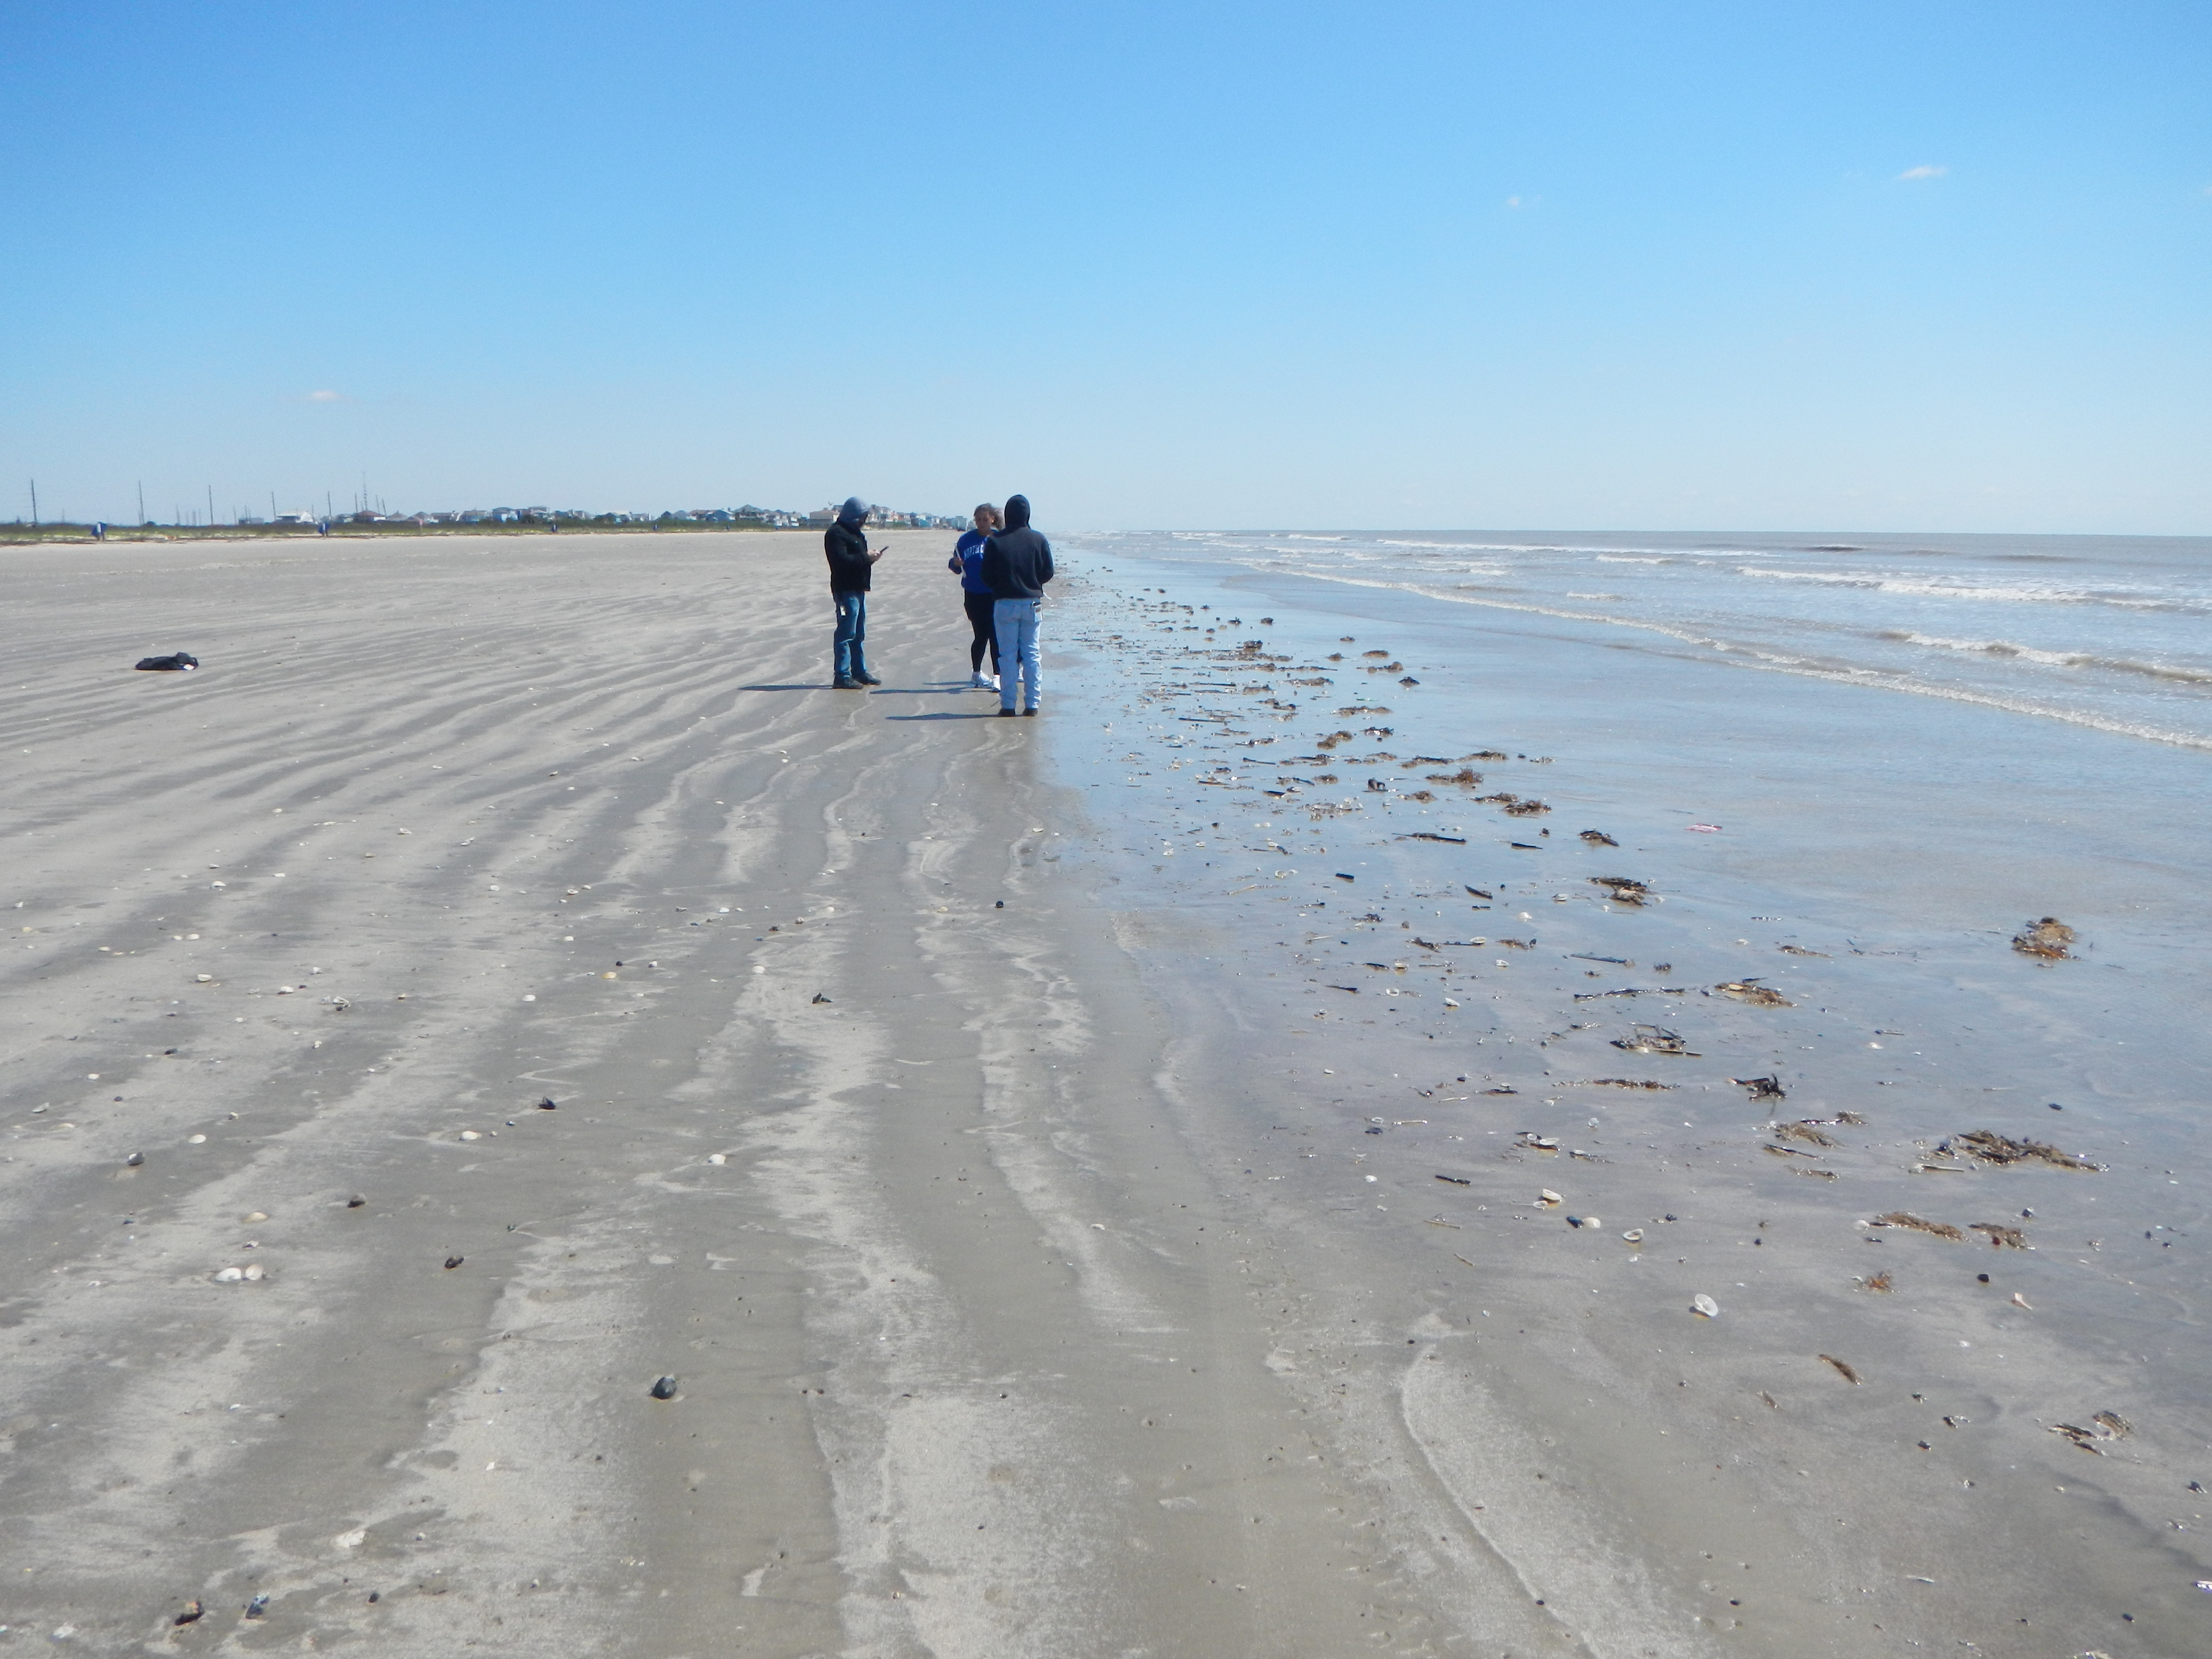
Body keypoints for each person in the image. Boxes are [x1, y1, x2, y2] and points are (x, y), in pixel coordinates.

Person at [980, 493, 1052, 716]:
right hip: (1031, 602)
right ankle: (1033, 705)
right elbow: (1048, 572)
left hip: (1005, 603)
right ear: (1027, 515)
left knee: (1007, 656)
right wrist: (1032, 580)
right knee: (1032, 655)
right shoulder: (1038, 539)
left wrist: (1002, 585)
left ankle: (1009, 705)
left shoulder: (995, 541)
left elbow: (986, 576)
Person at [823, 496, 882, 688]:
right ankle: (842, 675)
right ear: (855, 515)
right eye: (863, 516)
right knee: (846, 633)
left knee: (859, 634)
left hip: (858, 588)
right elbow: (842, 561)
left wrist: (869, 558)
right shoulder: (836, 533)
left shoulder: (855, 532)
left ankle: (859, 672)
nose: (864, 520)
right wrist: (866, 557)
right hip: (845, 590)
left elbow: (856, 558)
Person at [947, 503, 1002, 689]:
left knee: (996, 636)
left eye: (985, 520)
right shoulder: (965, 540)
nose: (981, 523)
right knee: (981, 635)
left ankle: (998, 676)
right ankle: (976, 673)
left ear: (992, 519)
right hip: (973, 594)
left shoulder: (999, 539)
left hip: (995, 595)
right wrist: (956, 563)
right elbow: (955, 566)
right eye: (978, 520)